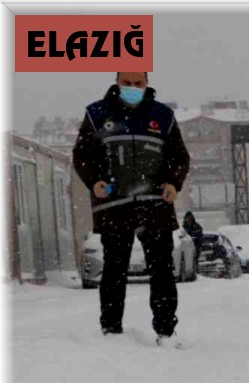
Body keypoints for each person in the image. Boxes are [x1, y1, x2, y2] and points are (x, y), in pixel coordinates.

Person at [72, 71, 190, 342]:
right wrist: (95, 182)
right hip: (114, 205)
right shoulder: (97, 114)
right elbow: (82, 155)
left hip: (155, 205)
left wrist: (173, 182)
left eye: (138, 83)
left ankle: (165, 331)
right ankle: (111, 330)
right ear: (117, 83)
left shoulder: (163, 117)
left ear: (147, 83)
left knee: (161, 271)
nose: (133, 88)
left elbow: (179, 156)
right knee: (114, 269)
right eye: (127, 83)